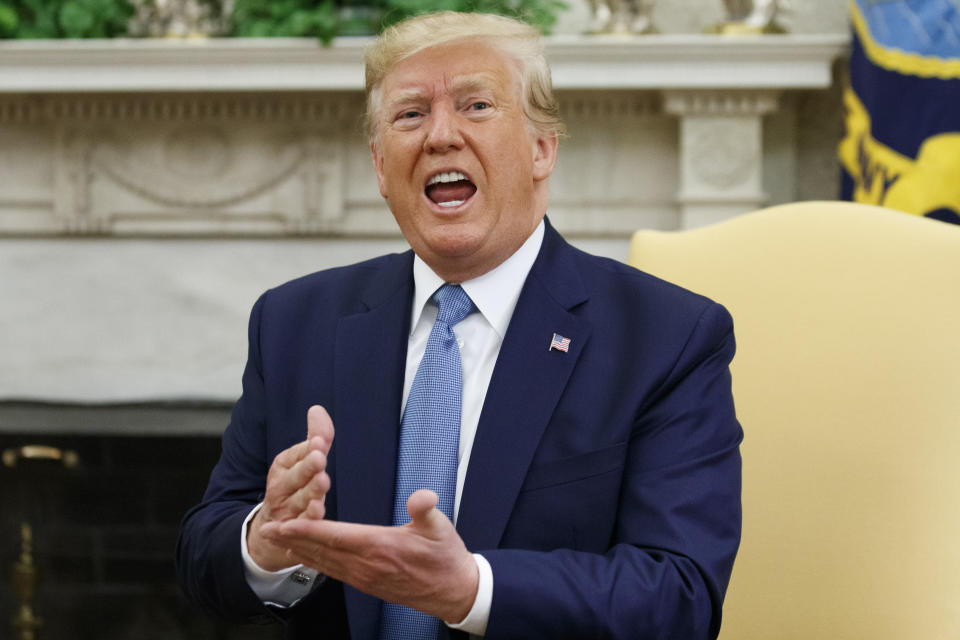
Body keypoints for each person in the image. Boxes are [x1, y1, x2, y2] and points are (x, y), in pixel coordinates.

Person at [175, 11, 742, 640]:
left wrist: (473, 589)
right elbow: (204, 554)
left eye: (476, 105)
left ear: (541, 148)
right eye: (410, 114)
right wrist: (270, 542)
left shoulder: (667, 338)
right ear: (381, 166)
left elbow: (679, 597)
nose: (440, 135)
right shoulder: (294, 322)